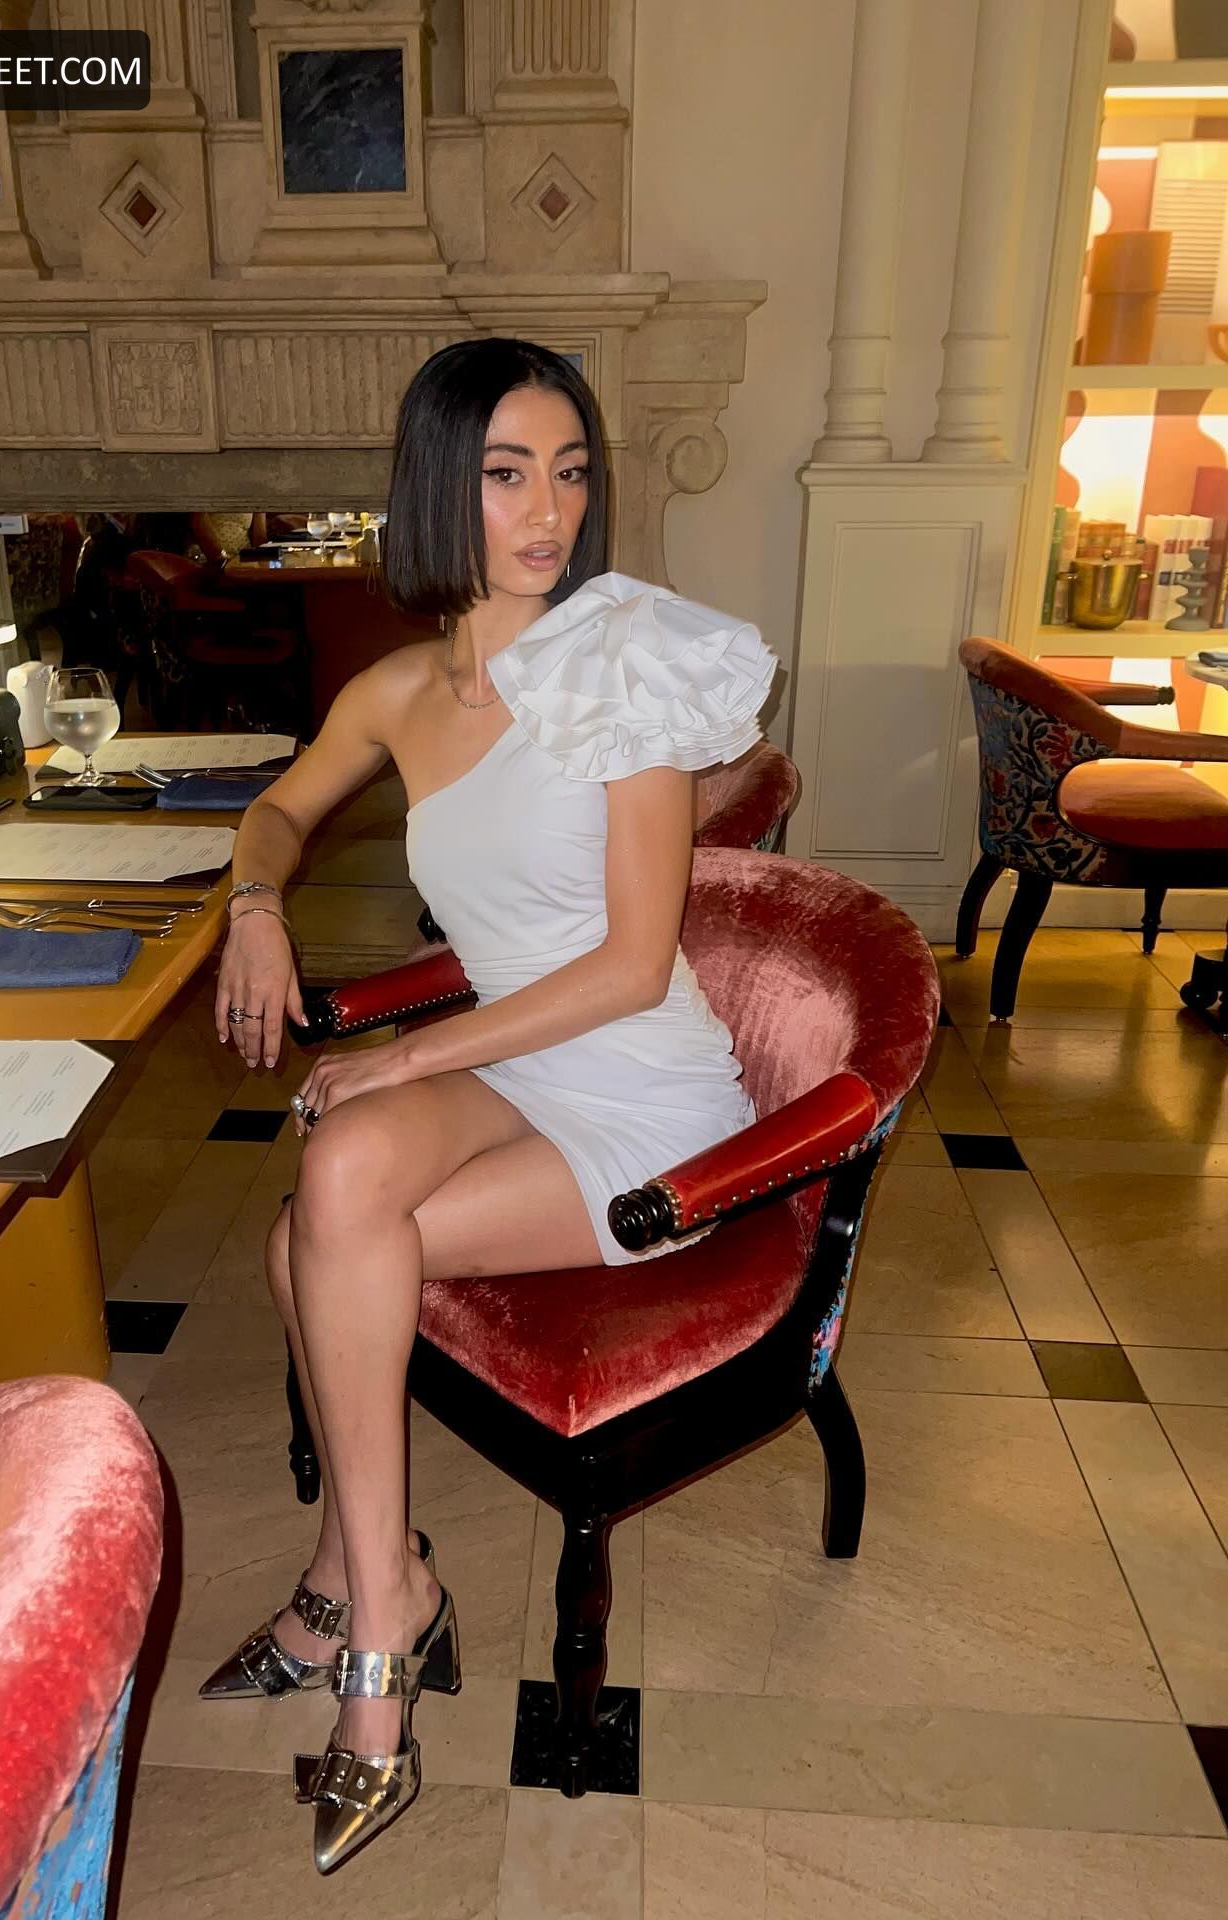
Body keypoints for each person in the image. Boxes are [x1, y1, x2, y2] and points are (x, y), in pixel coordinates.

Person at [199, 338, 777, 1874]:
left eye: (570, 473)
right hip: (516, 1066)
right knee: (328, 1202)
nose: (549, 511)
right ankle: (380, 1582)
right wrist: (255, 904)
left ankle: (367, 1622)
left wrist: (404, 1056)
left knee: (320, 1226)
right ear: (437, 485)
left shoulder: (622, 666)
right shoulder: (396, 692)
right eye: (508, 474)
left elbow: (631, 965)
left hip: (644, 1092)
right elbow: (278, 809)